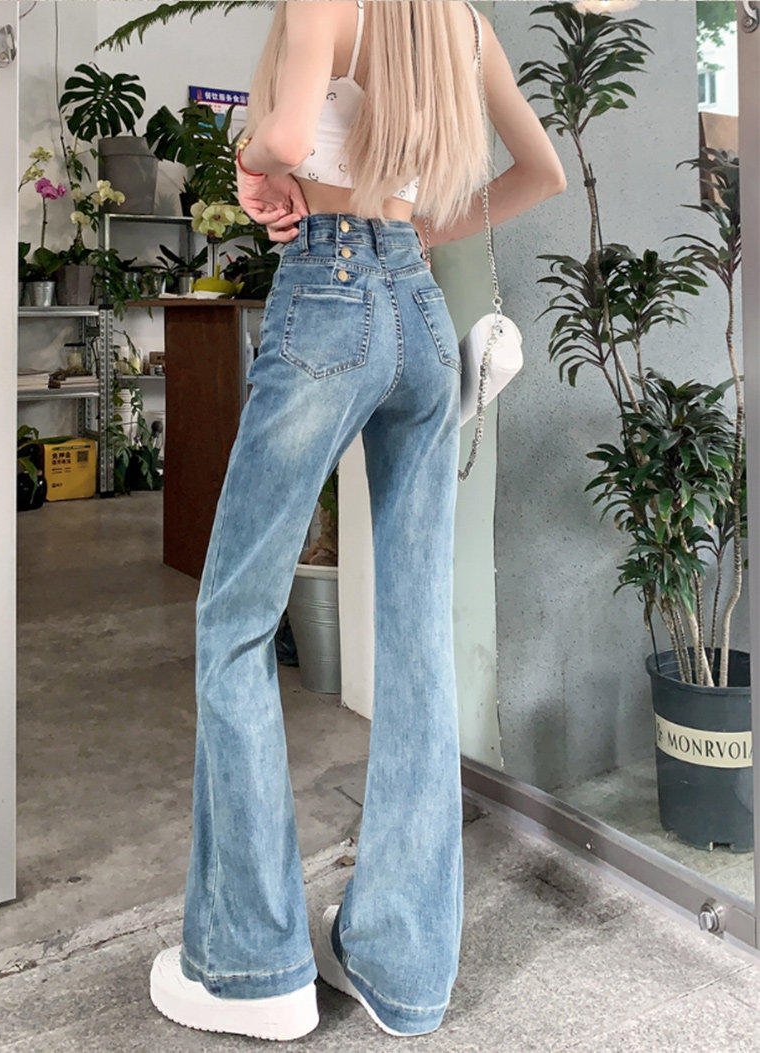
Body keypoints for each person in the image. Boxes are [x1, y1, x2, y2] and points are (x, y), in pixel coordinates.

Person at [149, 0, 565, 1041]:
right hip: (418, 314)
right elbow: (540, 172)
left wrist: (251, 164)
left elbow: (288, 137)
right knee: (417, 642)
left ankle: (253, 967)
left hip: (328, 301)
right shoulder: (463, 25)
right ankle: (400, 967)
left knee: (234, 620)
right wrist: (422, 229)